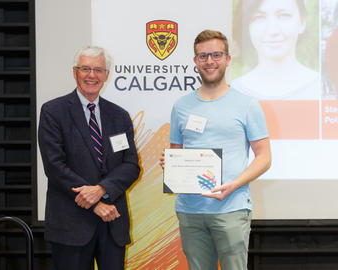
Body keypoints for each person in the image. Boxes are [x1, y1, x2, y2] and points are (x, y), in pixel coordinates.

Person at [161, 30, 271, 270]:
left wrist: (234, 184)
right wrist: (170, 165)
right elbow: (176, 153)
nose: (209, 61)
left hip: (231, 207)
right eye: (203, 56)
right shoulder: (181, 106)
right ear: (195, 61)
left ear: (228, 59)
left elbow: (264, 157)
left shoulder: (247, 105)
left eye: (216, 55)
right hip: (190, 209)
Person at [38, 46, 140, 270]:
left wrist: (102, 190)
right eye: (85, 68)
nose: (91, 75)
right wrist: (95, 204)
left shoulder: (119, 116)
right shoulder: (53, 112)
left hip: (112, 222)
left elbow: (131, 165)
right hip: (70, 225)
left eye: (98, 69)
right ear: (75, 72)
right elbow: (54, 166)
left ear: (106, 75)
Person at [231, 0, 319, 100]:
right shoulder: (234, 92)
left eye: (284, 16)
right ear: (247, 26)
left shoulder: (322, 88)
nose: (273, 30)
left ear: (302, 22)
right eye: (259, 17)